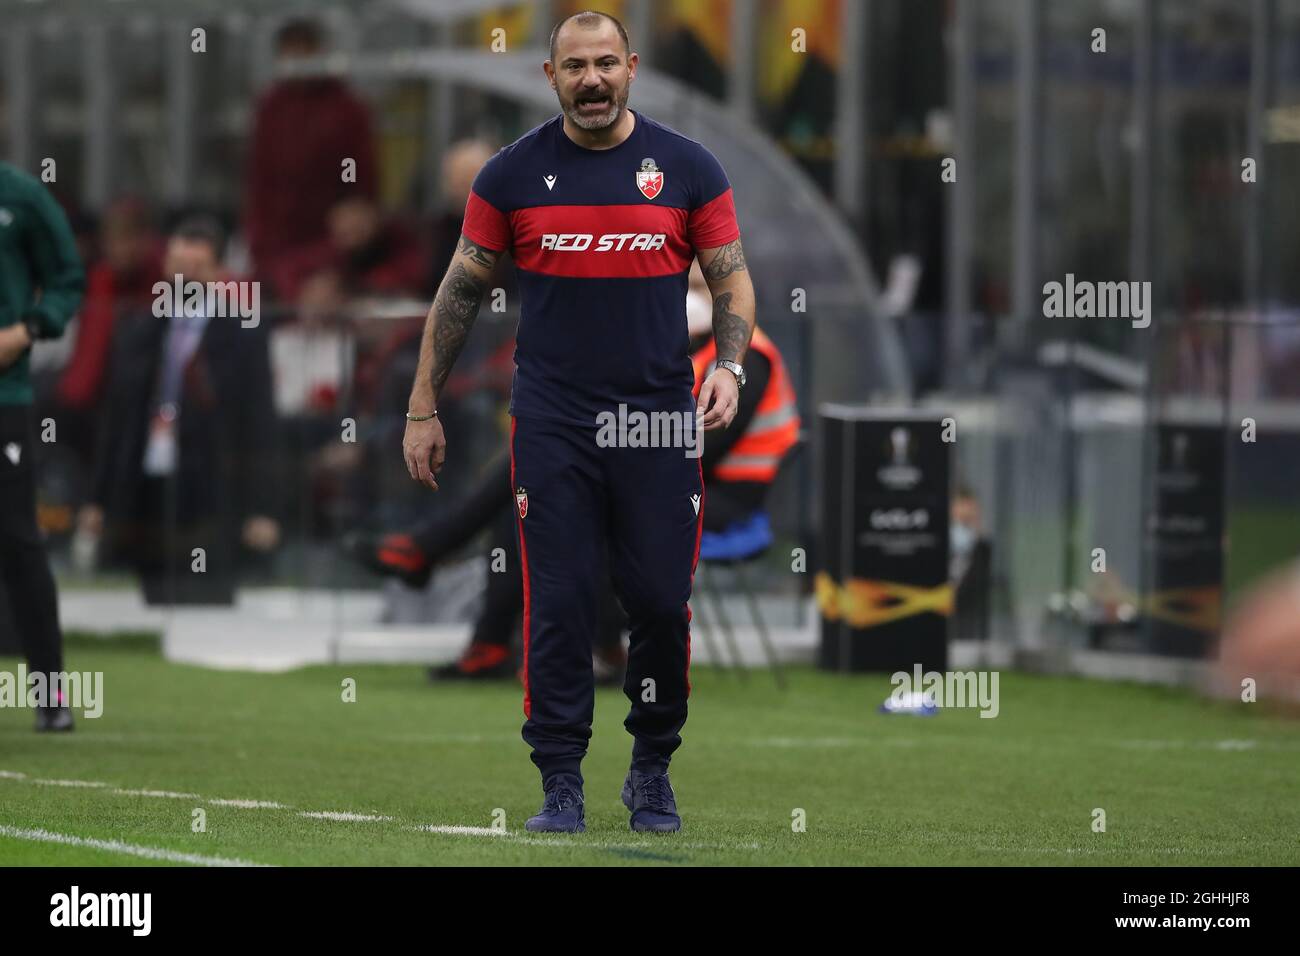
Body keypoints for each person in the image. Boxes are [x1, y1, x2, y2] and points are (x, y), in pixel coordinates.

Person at [401, 10, 755, 834]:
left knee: (662, 602)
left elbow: (731, 281)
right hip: (555, 420)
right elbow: (460, 290)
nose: (591, 80)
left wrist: (729, 370)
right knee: (557, 602)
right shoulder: (510, 176)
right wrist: (422, 407)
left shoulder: (688, 166)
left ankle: (652, 767)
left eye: (606, 64)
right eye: (574, 67)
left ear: (631, 68)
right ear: (550, 76)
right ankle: (560, 779)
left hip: (661, 421)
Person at [78, 217, 280, 605]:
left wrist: (263, 508)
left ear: (218, 272)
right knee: (154, 593)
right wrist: (98, 498)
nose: (184, 277)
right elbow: (116, 418)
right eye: (177, 266)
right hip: (150, 475)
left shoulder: (243, 331)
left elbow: (260, 422)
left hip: (214, 481)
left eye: (196, 267)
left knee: (210, 598)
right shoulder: (141, 327)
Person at [0, 161, 86, 731]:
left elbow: (67, 278)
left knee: (17, 540)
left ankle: (51, 693)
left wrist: (27, 329)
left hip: (3, 394)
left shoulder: (21, 196)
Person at [243, 18, 377, 282]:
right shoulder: (271, 107)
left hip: (327, 242)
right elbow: (258, 178)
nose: (296, 60)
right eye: (289, 52)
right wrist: (255, 234)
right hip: (273, 241)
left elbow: (360, 173)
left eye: (303, 51)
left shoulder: (345, 108)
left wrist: (354, 209)